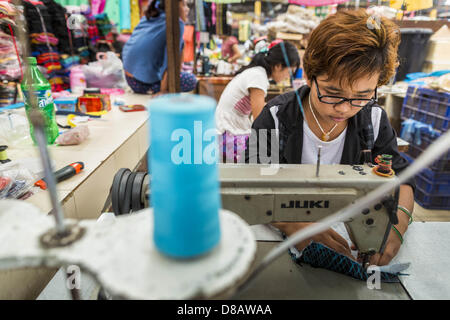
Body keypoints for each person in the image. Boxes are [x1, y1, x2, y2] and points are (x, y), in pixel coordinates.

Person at [245, 10, 415, 266]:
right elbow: (251, 189)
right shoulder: (274, 119)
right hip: (278, 243)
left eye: (362, 95)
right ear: (309, 75)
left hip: (348, 236)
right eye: (332, 93)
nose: (345, 108)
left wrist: (398, 223)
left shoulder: (374, 122)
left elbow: (401, 181)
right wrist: (294, 225)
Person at [215, 40, 300, 163]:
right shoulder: (258, 77)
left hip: (229, 126)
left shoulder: (257, 72)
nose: (288, 77)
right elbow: (259, 116)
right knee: (269, 153)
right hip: (227, 132)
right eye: (289, 72)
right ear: (278, 66)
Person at [122, 0, 197, 95]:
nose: (187, 9)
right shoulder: (176, 23)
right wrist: (163, 90)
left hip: (130, 79)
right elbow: (170, 62)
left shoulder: (152, 15)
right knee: (191, 80)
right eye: (184, 5)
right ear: (174, 7)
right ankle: (155, 89)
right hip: (142, 84)